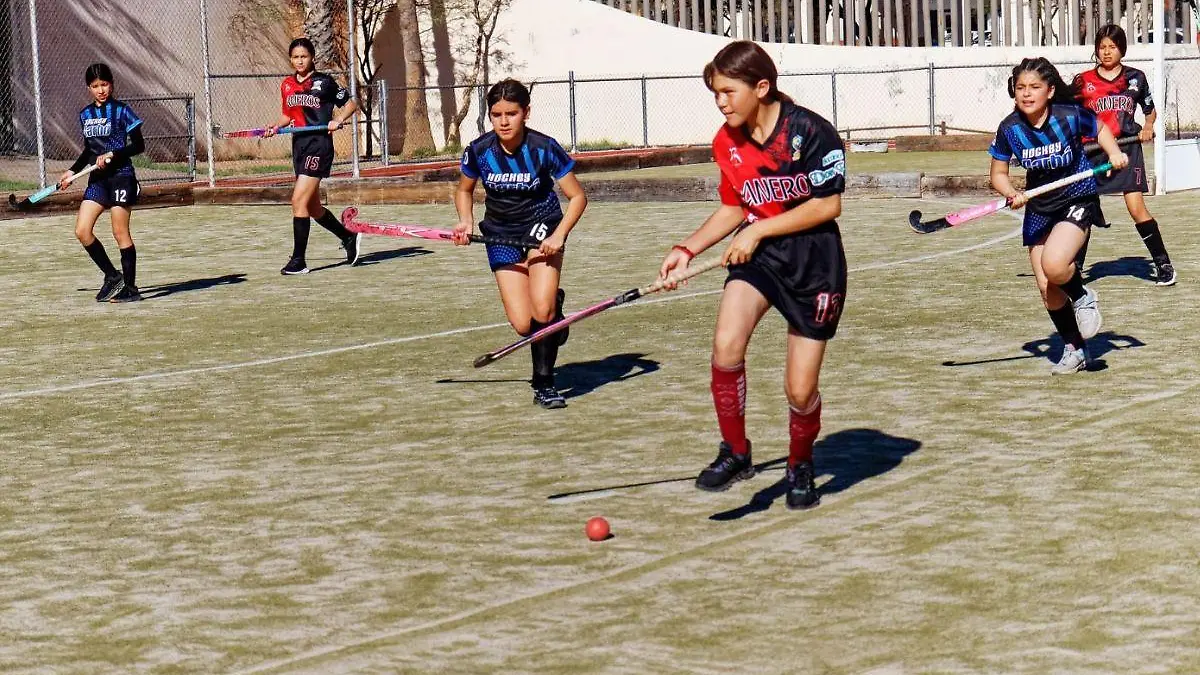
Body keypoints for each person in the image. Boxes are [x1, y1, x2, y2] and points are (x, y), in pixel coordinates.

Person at [658, 41, 847, 510]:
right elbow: (732, 208)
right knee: (726, 345)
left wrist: (759, 227)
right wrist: (687, 249)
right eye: (715, 94)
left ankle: (800, 463)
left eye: (727, 91)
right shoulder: (727, 141)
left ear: (761, 87)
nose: (721, 102)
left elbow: (828, 205)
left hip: (814, 262)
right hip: (759, 257)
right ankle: (736, 452)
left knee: (799, 391)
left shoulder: (809, 131)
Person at [452, 79, 588, 409]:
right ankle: (555, 317)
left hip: (542, 227)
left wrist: (559, 236)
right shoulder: (479, 150)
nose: (503, 121)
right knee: (523, 323)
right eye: (496, 114)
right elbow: (464, 190)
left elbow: (577, 197)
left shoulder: (544, 147)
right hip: (499, 233)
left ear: (525, 113)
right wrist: (466, 221)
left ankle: (544, 383)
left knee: (540, 309)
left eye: (511, 113)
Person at [990, 57, 1128, 375]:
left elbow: (1101, 128)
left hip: (1077, 195)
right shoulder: (1009, 129)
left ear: (1050, 91)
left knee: (1055, 265)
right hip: (1040, 205)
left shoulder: (1068, 116)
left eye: (1035, 87)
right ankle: (1075, 349)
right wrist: (1011, 192)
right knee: (1046, 286)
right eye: (1021, 87)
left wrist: (1113, 153)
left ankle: (1082, 296)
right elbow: (997, 173)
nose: (1027, 93)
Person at [1072, 24, 1176, 286]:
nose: (1106, 52)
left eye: (1112, 47)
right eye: (1102, 47)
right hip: (1093, 152)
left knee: (1136, 207)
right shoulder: (1082, 81)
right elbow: (1068, 114)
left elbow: (1149, 109)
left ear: (1122, 49)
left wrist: (1149, 126)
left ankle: (1163, 264)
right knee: (1083, 210)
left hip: (1127, 149)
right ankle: (1074, 270)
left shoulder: (1136, 78)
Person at [263, 37, 361, 275]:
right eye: (295, 57)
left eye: (304, 56)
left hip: (319, 145)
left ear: (312, 57)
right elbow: (288, 115)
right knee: (313, 206)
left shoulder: (324, 82)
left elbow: (351, 104)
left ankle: (299, 261)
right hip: (300, 146)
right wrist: (275, 127)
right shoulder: (287, 84)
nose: (299, 61)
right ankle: (348, 237)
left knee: (298, 201)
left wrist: (336, 120)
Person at [63, 63, 146, 303]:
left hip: (121, 176)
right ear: (89, 87)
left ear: (112, 83)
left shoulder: (122, 111)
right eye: (95, 86)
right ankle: (112, 276)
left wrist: (113, 154)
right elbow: (90, 151)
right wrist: (71, 172)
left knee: (119, 231)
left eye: (105, 84)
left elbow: (138, 145)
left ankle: (130, 288)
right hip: (98, 180)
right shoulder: (85, 115)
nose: (101, 90)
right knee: (82, 230)